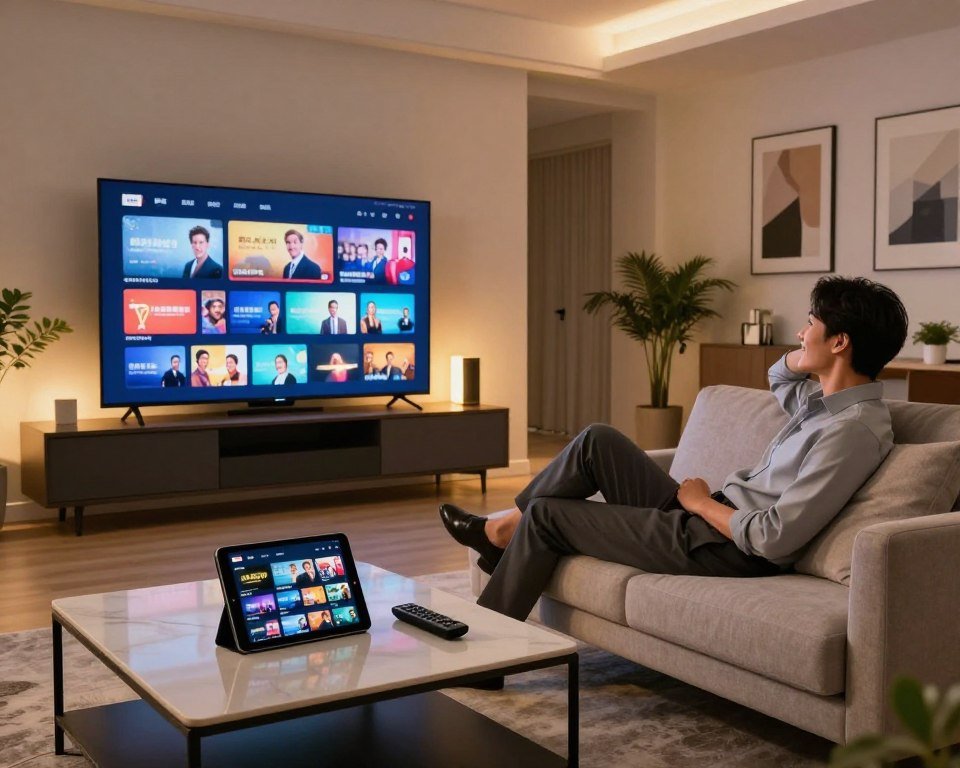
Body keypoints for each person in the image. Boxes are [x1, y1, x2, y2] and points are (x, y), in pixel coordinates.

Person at [440, 276, 909, 623]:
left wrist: (700, 503)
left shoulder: (853, 431)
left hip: (725, 547)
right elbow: (779, 376)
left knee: (547, 514)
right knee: (596, 441)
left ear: (841, 341)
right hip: (707, 519)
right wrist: (815, 357)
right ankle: (500, 532)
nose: (801, 335)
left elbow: (775, 537)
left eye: (810, 325)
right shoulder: (821, 402)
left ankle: (488, 648)